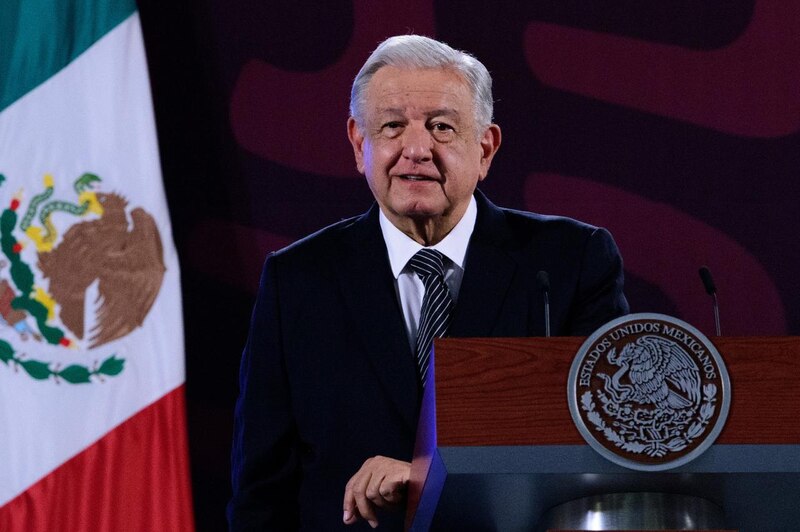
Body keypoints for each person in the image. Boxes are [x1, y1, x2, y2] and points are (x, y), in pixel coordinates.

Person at [228, 35, 629, 531]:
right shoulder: (298, 281)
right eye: (392, 126)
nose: (415, 149)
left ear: (485, 148)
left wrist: (426, 476)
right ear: (359, 143)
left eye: (441, 127)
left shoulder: (570, 263)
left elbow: (607, 443)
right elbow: (261, 493)